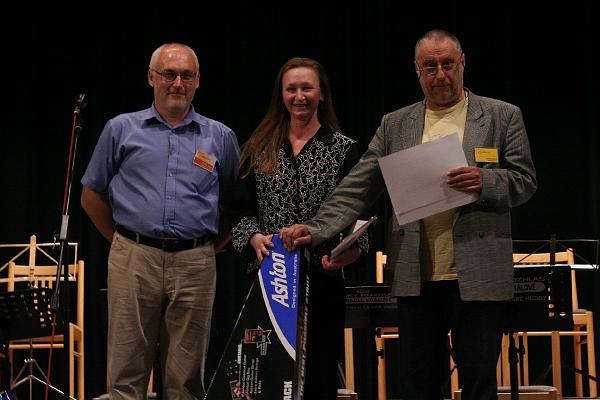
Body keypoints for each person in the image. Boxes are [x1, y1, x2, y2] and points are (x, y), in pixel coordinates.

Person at [280, 29, 537, 400]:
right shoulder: (396, 124)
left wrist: (486, 181)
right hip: (417, 275)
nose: (440, 74)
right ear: (417, 71)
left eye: (448, 64)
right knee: (418, 385)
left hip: (478, 273)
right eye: (430, 67)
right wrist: (316, 228)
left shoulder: (501, 115)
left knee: (479, 383)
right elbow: (358, 186)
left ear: (463, 63)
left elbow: (525, 181)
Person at [80, 42, 240, 400]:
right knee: (126, 374)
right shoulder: (121, 129)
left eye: (186, 75)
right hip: (134, 258)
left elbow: (236, 205)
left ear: (198, 81)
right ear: (152, 77)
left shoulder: (220, 136)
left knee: (185, 380)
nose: (177, 83)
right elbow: (91, 197)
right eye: (169, 74)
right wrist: (123, 241)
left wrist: (207, 248)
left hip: (196, 263)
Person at [231, 57, 369, 399]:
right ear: (281, 95)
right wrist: (252, 237)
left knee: (320, 376)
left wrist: (348, 254)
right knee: (266, 379)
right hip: (270, 283)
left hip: (322, 282)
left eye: (307, 88)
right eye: (291, 89)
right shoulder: (258, 148)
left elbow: (359, 218)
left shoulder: (344, 150)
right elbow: (239, 211)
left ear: (321, 94)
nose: (299, 96)